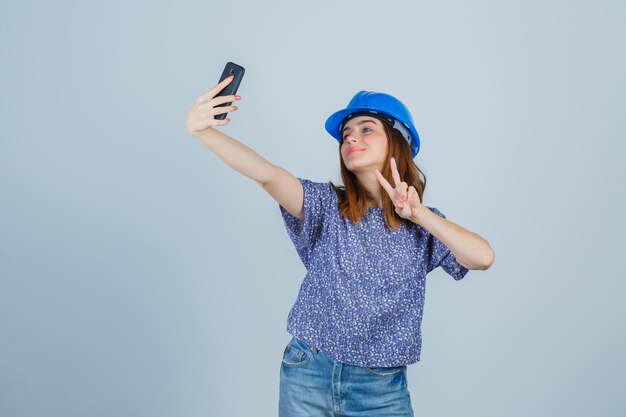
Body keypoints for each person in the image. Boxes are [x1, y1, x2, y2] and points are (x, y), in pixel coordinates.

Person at [186, 76, 495, 417]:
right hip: (308, 371)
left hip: (382, 389)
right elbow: (267, 175)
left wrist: (420, 214)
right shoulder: (325, 205)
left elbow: (483, 257)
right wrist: (204, 132)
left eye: (366, 128)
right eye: (347, 132)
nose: (351, 136)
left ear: (398, 141)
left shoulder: (423, 226)